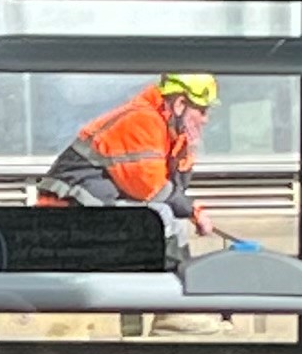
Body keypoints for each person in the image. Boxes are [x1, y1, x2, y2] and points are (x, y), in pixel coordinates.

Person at [36, 68, 218, 247]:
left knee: (171, 220)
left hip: (91, 207)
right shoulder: (143, 122)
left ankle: (174, 272)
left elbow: (177, 186)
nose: (206, 119)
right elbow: (153, 189)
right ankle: (167, 275)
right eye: (202, 111)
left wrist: (187, 147)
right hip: (66, 212)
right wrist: (193, 211)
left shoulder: (166, 131)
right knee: (159, 217)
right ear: (179, 104)